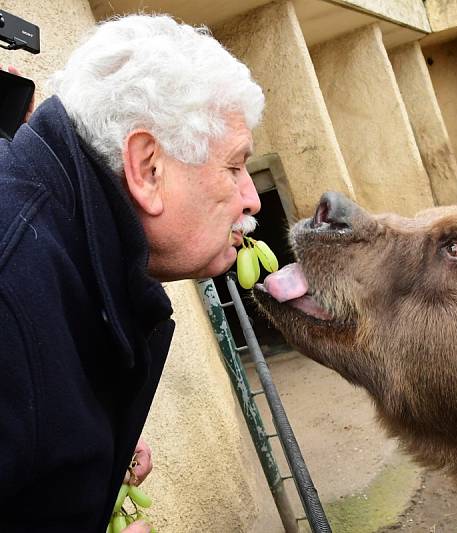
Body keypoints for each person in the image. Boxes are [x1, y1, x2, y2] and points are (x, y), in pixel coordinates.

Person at [0, 14, 264, 532]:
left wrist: (88, 440)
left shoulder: (55, 241)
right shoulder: (11, 291)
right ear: (147, 168)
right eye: (234, 167)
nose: (252, 198)